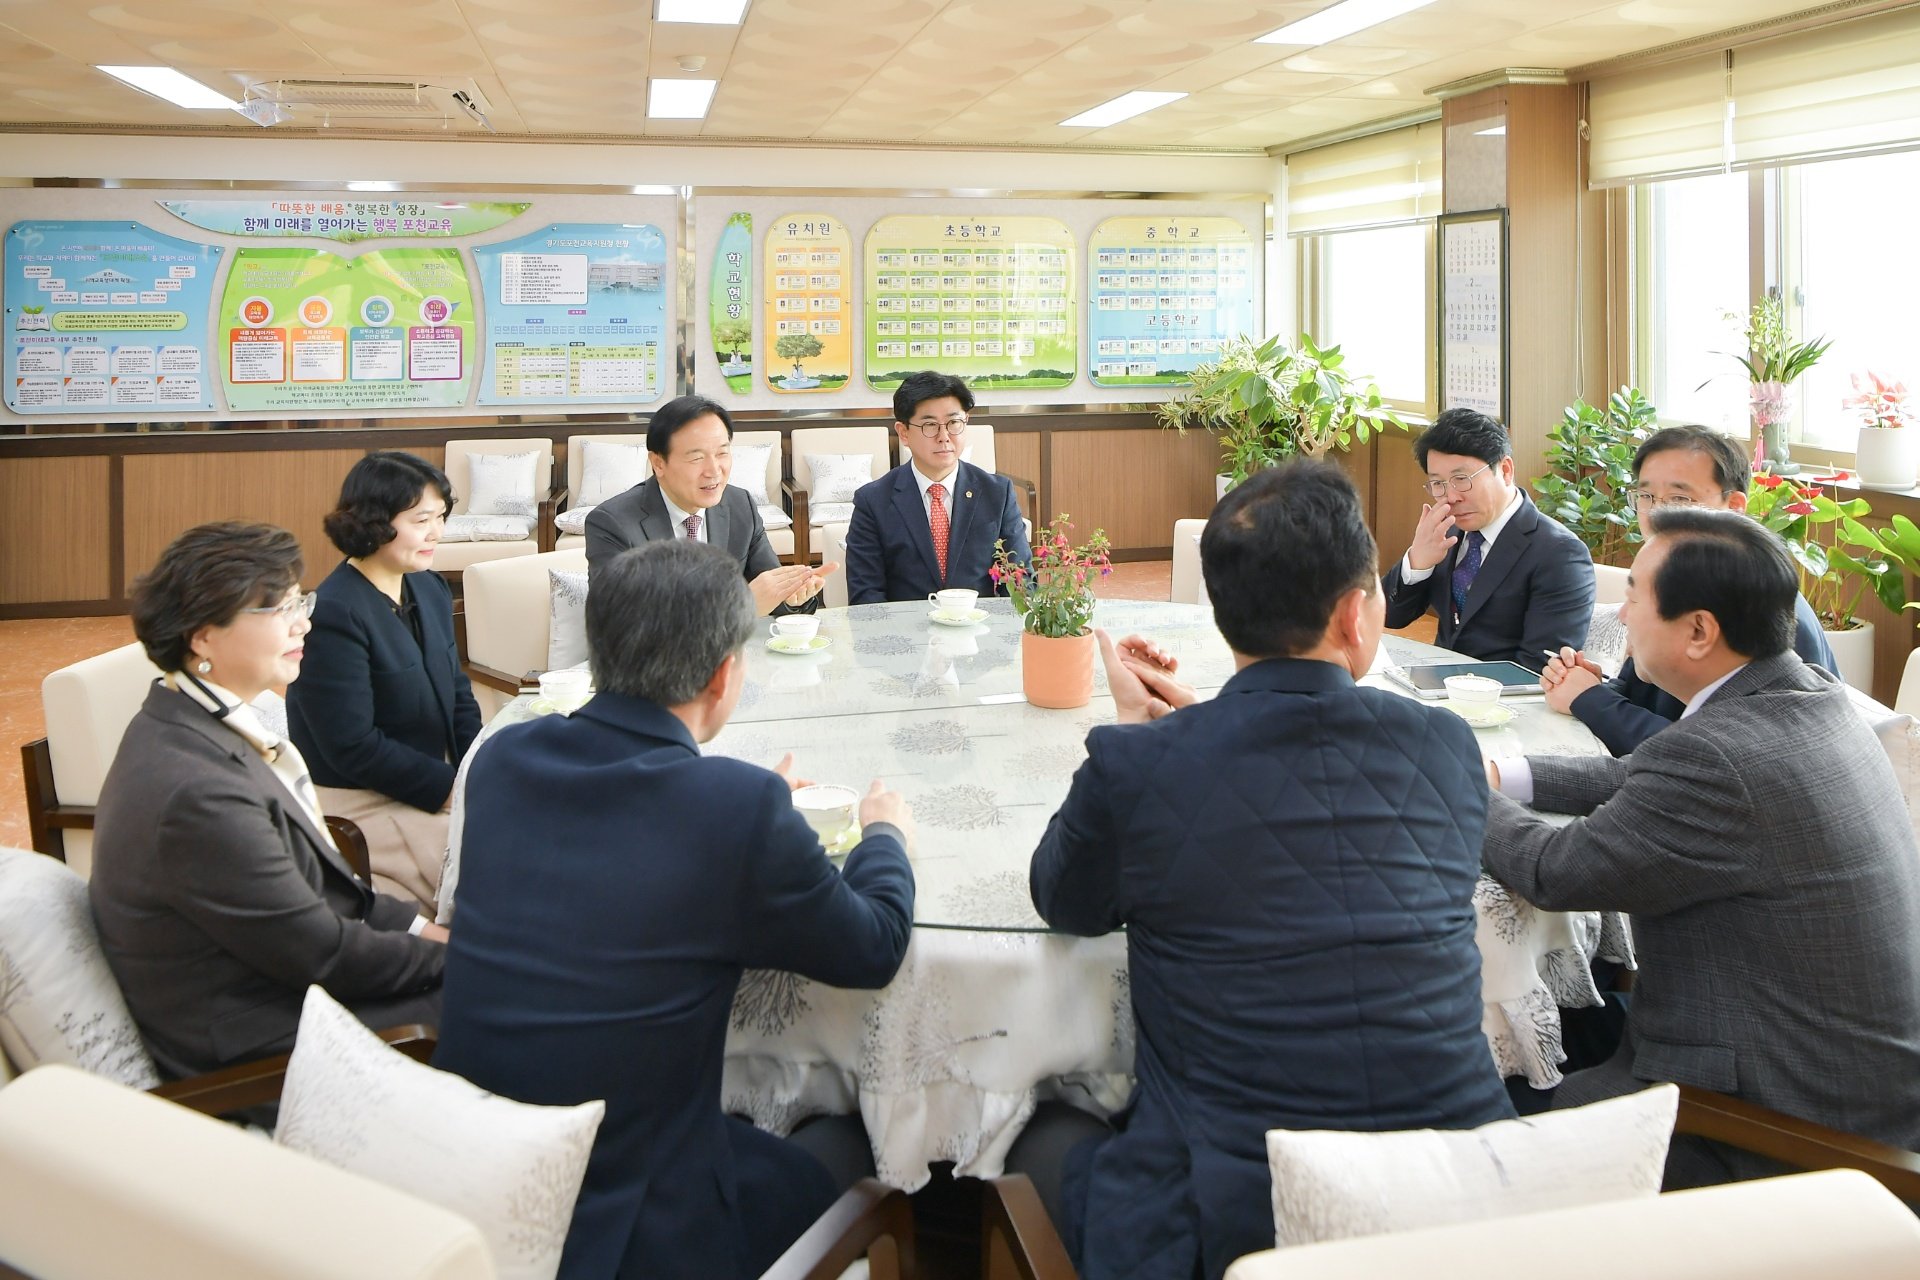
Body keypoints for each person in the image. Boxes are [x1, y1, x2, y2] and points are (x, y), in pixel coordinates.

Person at [1024, 461, 1514, 1280]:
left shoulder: (1139, 766)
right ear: (1355, 615)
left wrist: (1145, 735)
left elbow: (1065, 900)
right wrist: (1184, 737)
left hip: (1236, 1212)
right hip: (1457, 1194)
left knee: (1040, 1130)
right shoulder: (1444, 745)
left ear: (1225, 614)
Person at [433, 539, 916, 1280]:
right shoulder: (734, 809)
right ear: (725, 675)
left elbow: (624, 842)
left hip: (472, 1175)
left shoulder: (502, 760)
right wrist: (883, 835)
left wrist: (747, 811)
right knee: (849, 1144)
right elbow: (874, 947)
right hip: (630, 1225)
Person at [1483, 507, 1920, 1188]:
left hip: (1774, 1122)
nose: (1621, 616)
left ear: (1698, 631)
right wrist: (1501, 773)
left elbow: (1552, 871)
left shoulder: (1719, 756)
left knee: (1483, 1126)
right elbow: (1640, 776)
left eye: (1634, 596)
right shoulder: (1806, 694)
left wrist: (1452, 785)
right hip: (1836, 1068)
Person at [90, 521, 445, 1081]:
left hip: (289, 988)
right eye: (280, 608)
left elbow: (333, 895)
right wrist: (465, 959)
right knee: (528, 998)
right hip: (265, 1048)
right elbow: (325, 954)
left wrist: (427, 933)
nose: (305, 622)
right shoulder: (196, 794)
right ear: (203, 636)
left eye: (300, 601)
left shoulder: (193, 718)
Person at [1540, 424, 1838, 755]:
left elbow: (1720, 754)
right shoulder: (1667, 582)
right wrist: (1590, 685)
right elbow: (1638, 698)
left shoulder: (1767, 607)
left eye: (1679, 499)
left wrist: (1591, 700)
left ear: (1734, 505)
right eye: (1646, 497)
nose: (1655, 514)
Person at [287, 451, 481, 908]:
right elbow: (351, 746)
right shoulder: (334, 613)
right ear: (374, 523)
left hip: (431, 780)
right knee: (492, 863)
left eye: (440, 517)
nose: (437, 532)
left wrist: (477, 769)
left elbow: (457, 692)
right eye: (421, 520)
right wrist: (449, 790)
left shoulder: (428, 587)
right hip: (360, 797)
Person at [1383, 408, 1593, 671]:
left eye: (1461, 479)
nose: (1451, 497)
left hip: (1501, 693)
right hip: (1436, 680)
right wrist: (1417, 562)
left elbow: (1539, 667)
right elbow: (1389, 615)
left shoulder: (1560, 554)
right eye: (1438, 483)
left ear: (1505, 470)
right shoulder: (1445, 532)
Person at [585, 394, 833, 616]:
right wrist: (739, 606)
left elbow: (767, 589)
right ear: (658, 463)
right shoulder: (612, 523)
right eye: (697, 458)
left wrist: (791, 596)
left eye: (722, 453)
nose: (714, 471)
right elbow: (619, 622)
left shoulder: (740, 506)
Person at [843, 370, 1032, 604]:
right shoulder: (873, 501)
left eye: (954, 423)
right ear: (903, 433)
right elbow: (866, 594)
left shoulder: (998, 493)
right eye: (930, 425)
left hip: (979, 623)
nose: (944, 436)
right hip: (904, 625)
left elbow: (1020, 582)